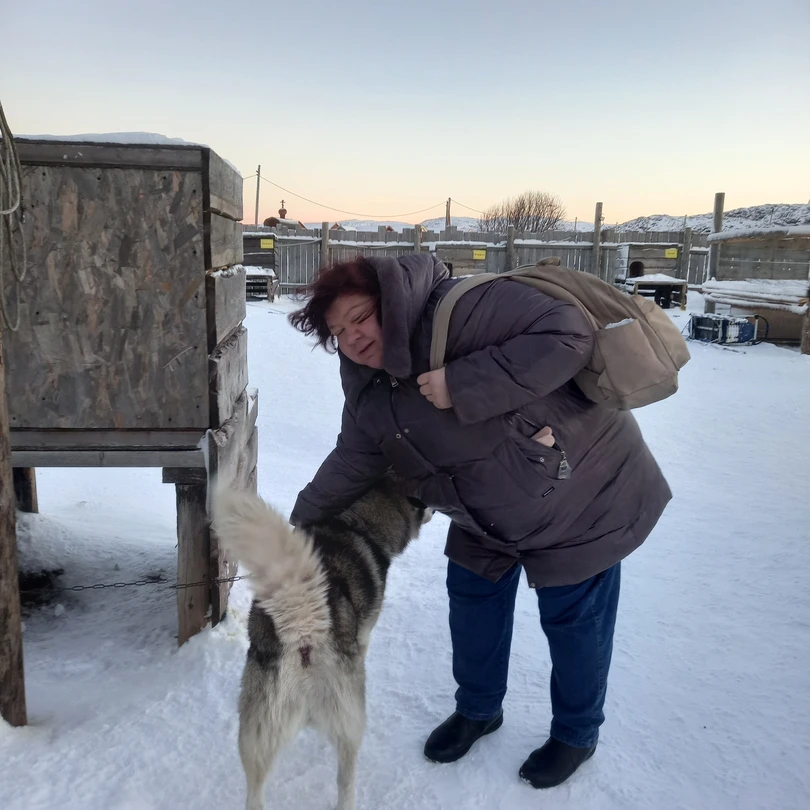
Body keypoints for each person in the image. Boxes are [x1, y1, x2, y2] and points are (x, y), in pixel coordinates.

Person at [288, 253, 671, 789]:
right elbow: (356, 457)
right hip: (482, 510)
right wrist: (297, 525)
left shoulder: (463, 309)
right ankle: (479, 709)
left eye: (361, 316)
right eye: (338, 331)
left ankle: (577, 734)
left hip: (578, 495)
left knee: (574, 620)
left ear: (389, 302)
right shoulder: (369, 386)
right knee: (472, 603)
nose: (352, 337)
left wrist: (463, 383)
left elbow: (568, 333)